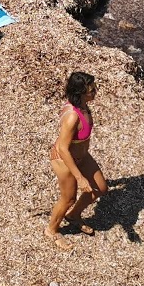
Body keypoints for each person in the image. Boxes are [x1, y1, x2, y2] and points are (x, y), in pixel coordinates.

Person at [45, 71, 107, 249]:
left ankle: (73, 216)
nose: (95, 92)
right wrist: (79, 177)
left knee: (101, 188)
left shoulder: (83, 105)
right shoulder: (72, 117)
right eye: (92, 90)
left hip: (82, 156)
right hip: (64, 160)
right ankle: (52, 230)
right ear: (80, 93)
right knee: (68, 198)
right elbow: (63, 148)